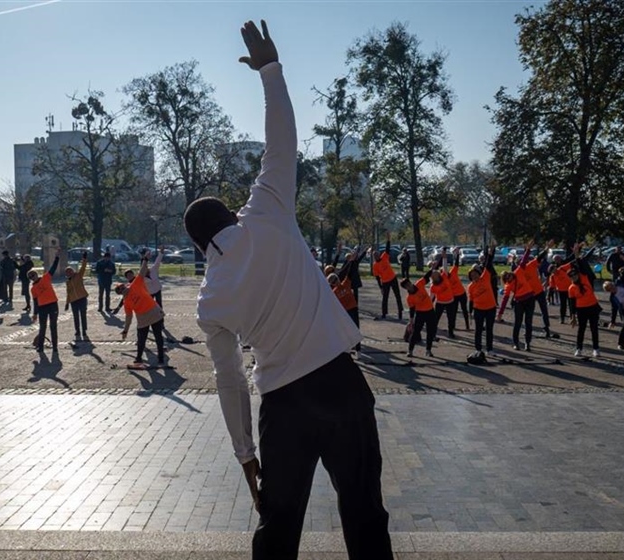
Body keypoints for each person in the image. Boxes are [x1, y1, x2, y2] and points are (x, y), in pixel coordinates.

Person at [185, 21, 392, 560]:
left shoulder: (210, 300)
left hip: (282, 404)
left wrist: (246, 456)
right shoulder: (268, 211)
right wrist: (270, 71)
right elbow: (283, 138)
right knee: (365, 517)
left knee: (278, 533)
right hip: (341, 384)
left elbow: (228, 380)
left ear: (197, 244)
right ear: (231, 214)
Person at [115, 256, 166, 366]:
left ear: (125, 285)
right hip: (143, 318)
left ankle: (161, 358)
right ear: (120, 294)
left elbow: (142, 271)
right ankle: (138, 358)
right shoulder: (126, 302)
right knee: (141, 339)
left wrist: (145, 259)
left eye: (122, 287)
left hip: (153, 312)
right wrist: (125, 330)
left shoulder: (135, 284)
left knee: (158, 336)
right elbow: (128, 317)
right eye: (120, 290)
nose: (123, 289)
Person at [569, 248, 601, 358]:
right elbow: (572, 303)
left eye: (575, 275)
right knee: (581, 329)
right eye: (572, 276)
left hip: (592, 307)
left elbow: (581, 264)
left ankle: (596, 349)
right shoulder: (571, 288)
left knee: (594, 329)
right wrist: (572, 316)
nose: (574, 277)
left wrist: (576, 254)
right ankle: (579, 348)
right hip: (581, 309)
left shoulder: (584, 278)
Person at [467, 245, 498, 356]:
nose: (474, 276)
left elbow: (488, 264)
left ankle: (489, 349)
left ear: (479, 273)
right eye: (472, 275)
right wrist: (470, 312)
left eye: (475, 274)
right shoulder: (470, 287)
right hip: (478, 309)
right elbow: (471, 300)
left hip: (490, 308)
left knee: (489, 330)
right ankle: (478, 349)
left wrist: (490, 252)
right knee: (478, 330)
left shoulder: (485, 277)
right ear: (470, 277)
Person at [402, 266, 438, 357]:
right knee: (415, 332)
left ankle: (428, 350)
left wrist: (434, 267)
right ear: (405, 288)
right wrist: (411, 321)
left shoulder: (419, 284)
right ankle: (410, 350)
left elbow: (427, 276)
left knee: (430, 331)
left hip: (430, 311)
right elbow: (412, 309)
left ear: (410, 283)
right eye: (406, 286)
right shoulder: (409, 298)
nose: (409, 286)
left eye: (409, 284)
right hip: (420, 314)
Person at [28, 255, 60, 352]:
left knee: (53, 326)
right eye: (30, 277)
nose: (32, 277)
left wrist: (57, 257)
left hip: (53, 304)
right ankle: (40, 347)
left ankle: (55, 346)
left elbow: (53, 268)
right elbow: (35, 301)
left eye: (33, 275)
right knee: (42, 327)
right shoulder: (33, 289)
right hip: (42, 308)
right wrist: (35, 314)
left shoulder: (45, 278)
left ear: (37, 274)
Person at [372, 232, 403, 321]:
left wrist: (388, 239)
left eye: (377, 254)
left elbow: (387, 248)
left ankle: (400, 312)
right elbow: (377, 277)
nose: (376, 256)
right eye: (374, 256)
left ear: (379, 254)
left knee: (398, 295)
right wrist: (380, 287)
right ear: (374, 257)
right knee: (385, 298)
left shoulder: (384, 256)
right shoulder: (375, 265)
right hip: (385, 282)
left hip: (393, 278)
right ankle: (384, 314)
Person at [65, 252, 90, 343]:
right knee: (76, 317)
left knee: (83, 316)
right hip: (73, 301)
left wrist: (84, 259)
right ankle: (77, 331)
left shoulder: (78, 276)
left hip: (82, 298)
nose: (69, 273)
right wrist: (67, 303)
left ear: (73, 271)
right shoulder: (68, 282)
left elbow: (83, 268)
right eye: (67, 272)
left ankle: (84, 331)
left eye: (70, 271)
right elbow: (68, 293)